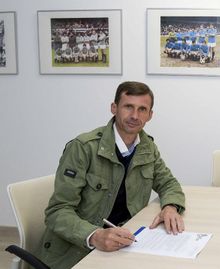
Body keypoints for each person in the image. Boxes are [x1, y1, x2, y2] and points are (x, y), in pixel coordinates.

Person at [36, 81, 186, 269]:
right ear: (114, 108)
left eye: (142, 109)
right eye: (128, 107)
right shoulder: (84, 148)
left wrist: (170, 207)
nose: (134, 115)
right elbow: (57, 212)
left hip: (125, 241)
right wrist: (95, 235)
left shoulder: (147, 147)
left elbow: (168, 183)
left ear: (150, 115)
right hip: (79, 248)